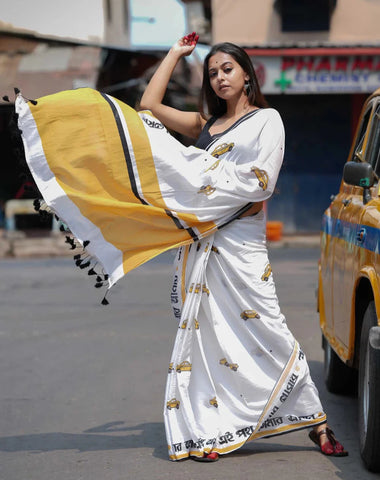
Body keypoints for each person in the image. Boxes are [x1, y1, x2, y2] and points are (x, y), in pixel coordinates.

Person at [140, 32, 348, 462]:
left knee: (269, 328)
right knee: (207, 338)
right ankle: (209, 429)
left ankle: (315, 421)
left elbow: (260, 182)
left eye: (227, 69)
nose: (219, 78)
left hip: (242, 245)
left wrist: (202, 192)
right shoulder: (204, 126)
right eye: (212, 72)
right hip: (202, 247)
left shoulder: (268, 121)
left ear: (248, 75)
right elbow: (149, 107)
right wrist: (177, 54)